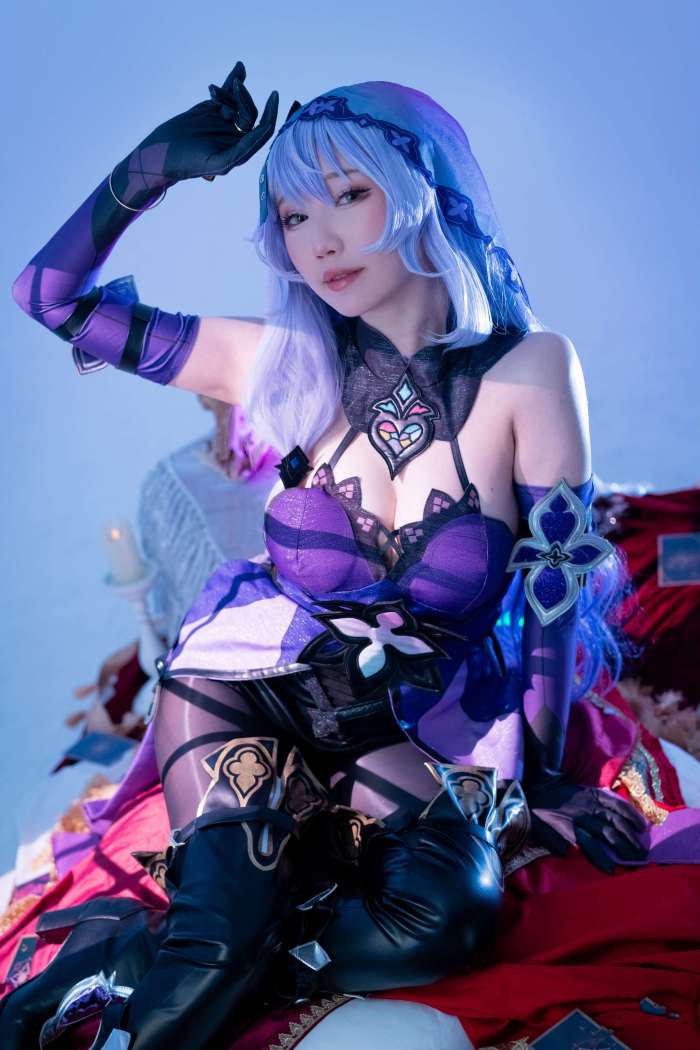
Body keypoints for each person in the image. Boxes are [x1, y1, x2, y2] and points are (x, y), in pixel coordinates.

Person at [4, 62, 652, 1050]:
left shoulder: (531, 371)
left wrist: (549, 776)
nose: (320, 240)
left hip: (396, 722)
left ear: (426, 192)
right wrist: (152, 168)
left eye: (349, 196)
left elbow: (552, 591)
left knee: (441, 923)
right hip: (243, 694)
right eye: (293, 216)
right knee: (216, 948)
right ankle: (206, 940)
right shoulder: (279, 361)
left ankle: (126, 948)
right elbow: (49, 297)